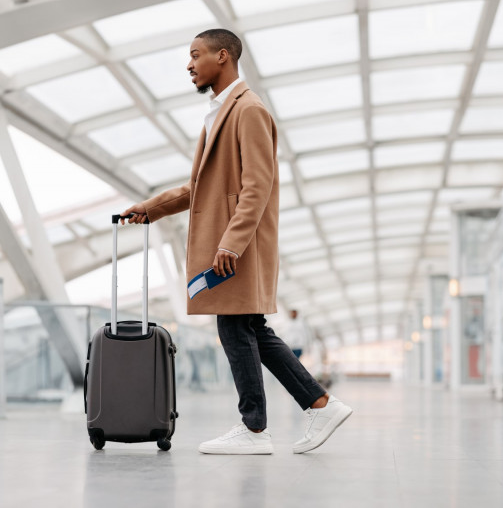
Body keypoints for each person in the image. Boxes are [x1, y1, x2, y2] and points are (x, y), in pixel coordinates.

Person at [120, 29, 352, 455]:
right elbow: (201, 189)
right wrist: (151, 208)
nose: (189, 65)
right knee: (248, 327)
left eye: (195, 55)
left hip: (235, 246)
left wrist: (232, 242)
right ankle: (318, 404)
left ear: (222, 56)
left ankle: (256, 428)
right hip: (231, 243)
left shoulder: (247, 111)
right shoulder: (221, 113)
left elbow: (257, 184)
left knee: (234, 325)